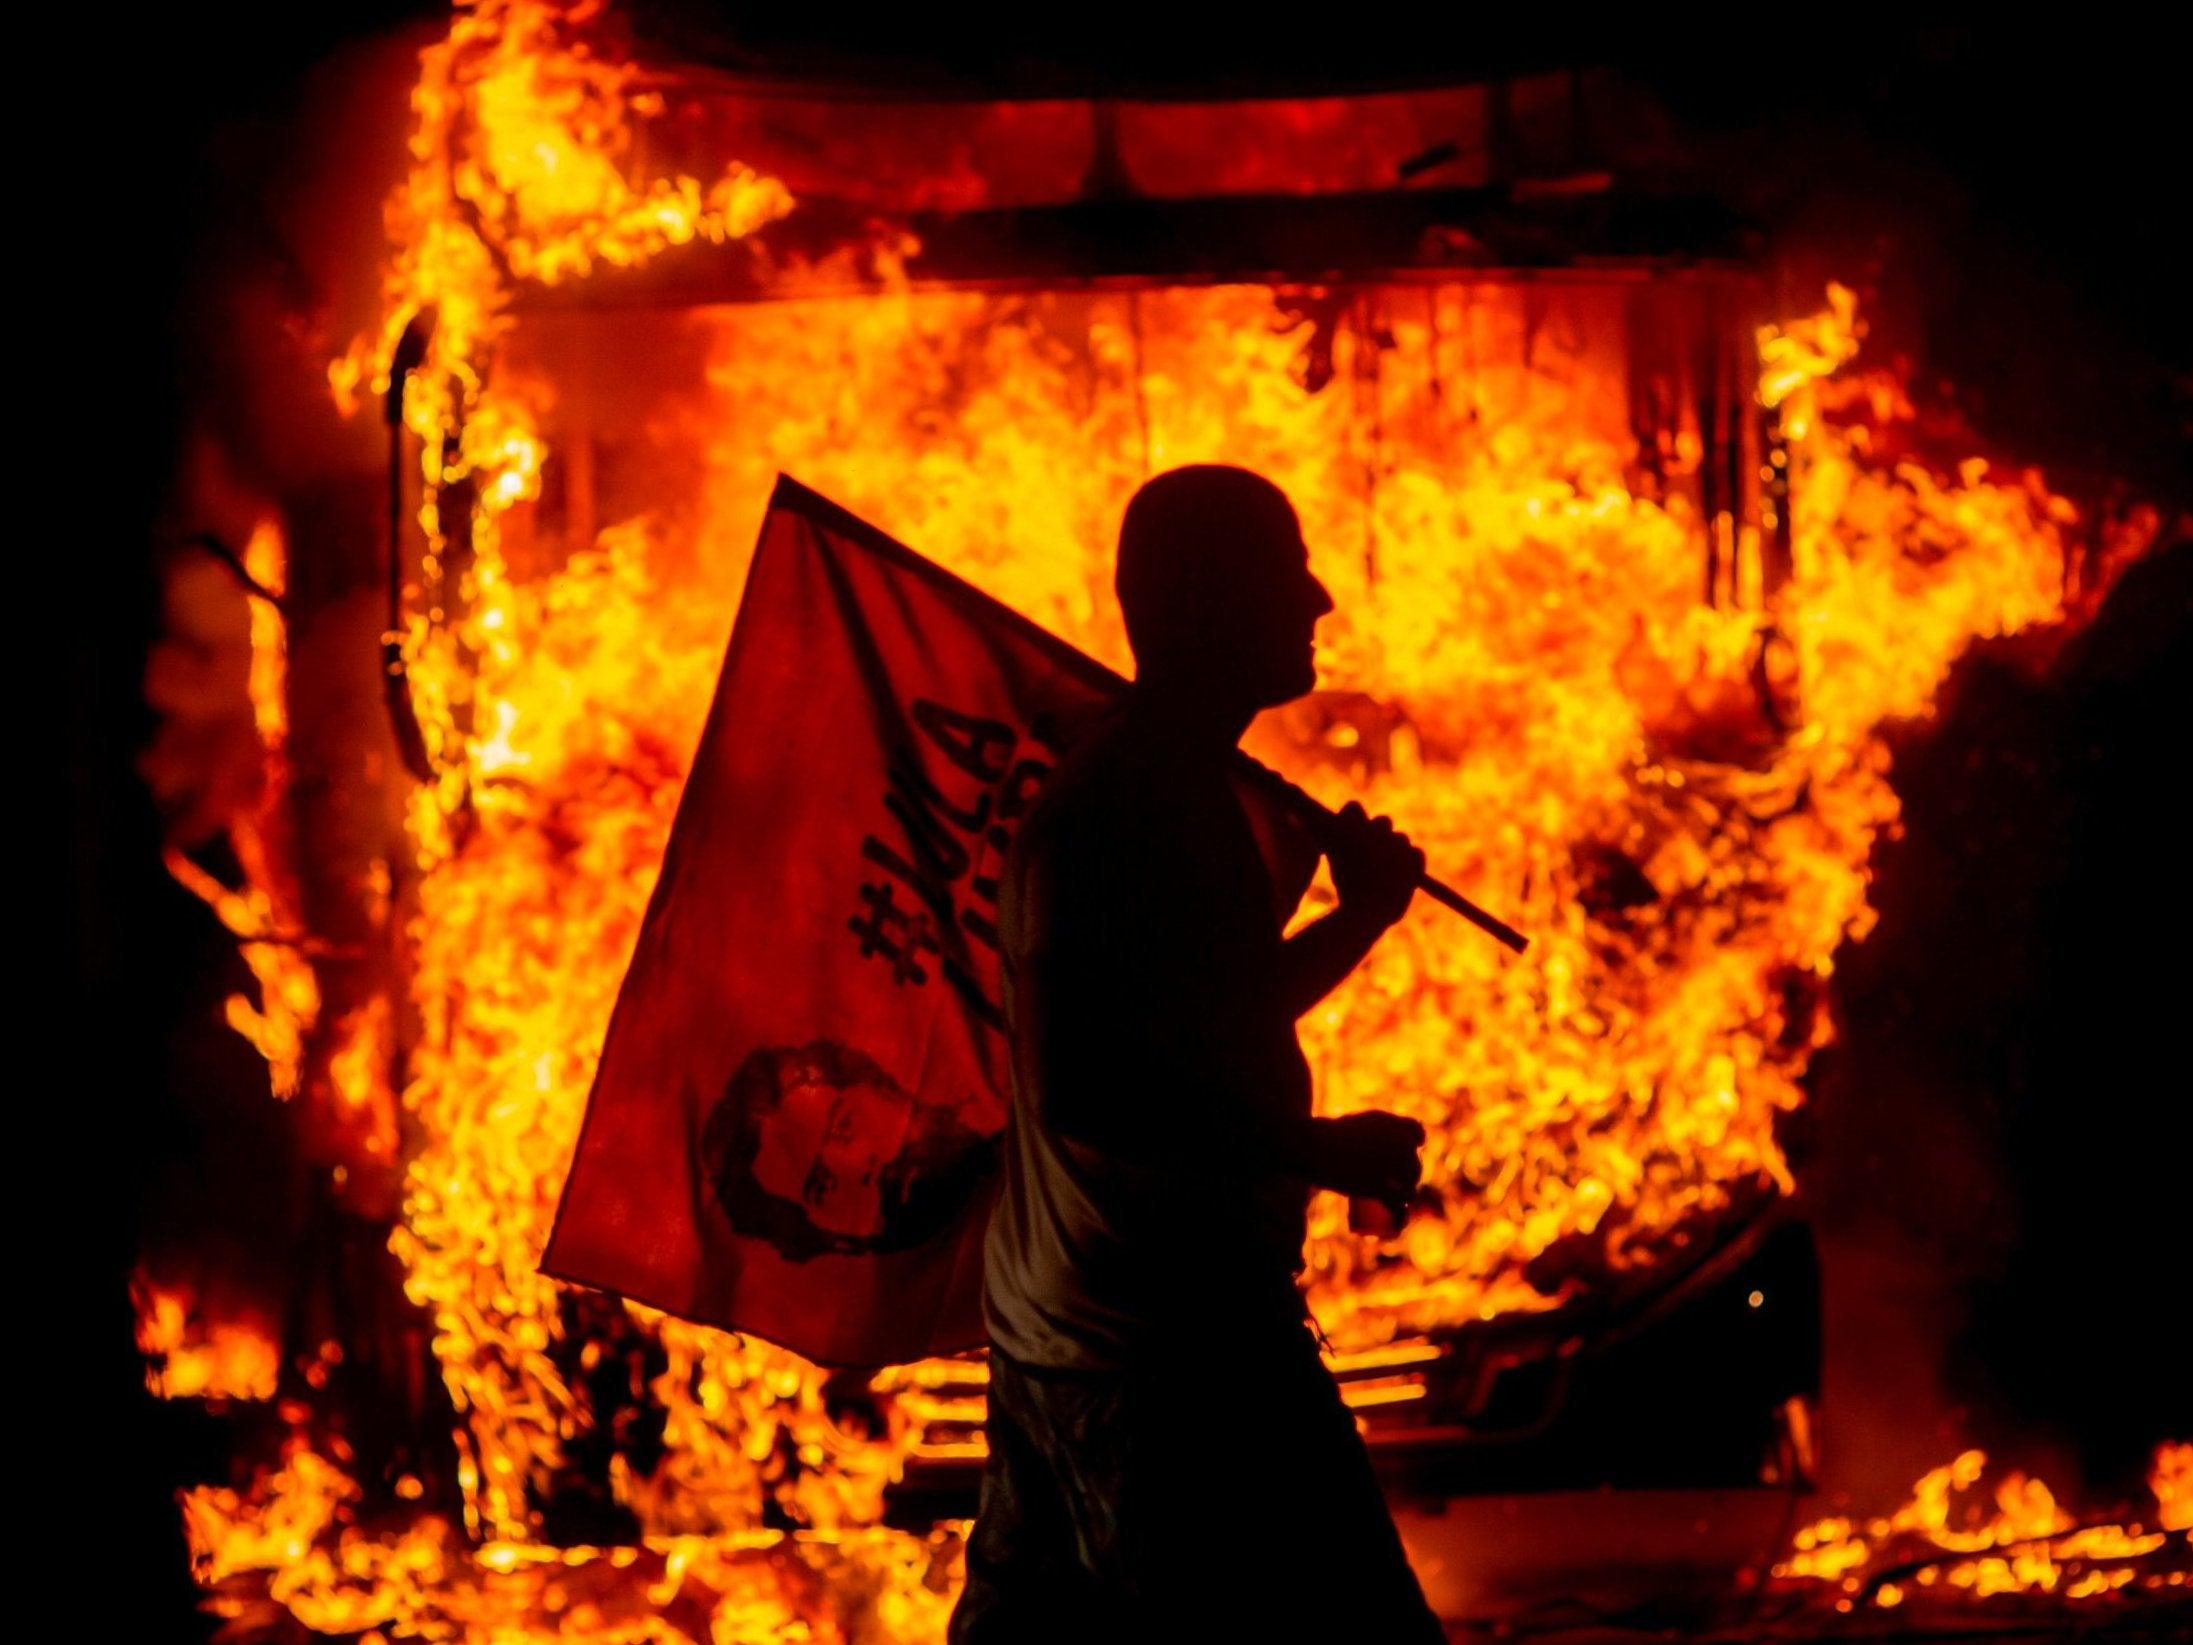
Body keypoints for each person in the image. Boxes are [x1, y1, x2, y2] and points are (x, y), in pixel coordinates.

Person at [950, 465, 1445, 1642]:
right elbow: (1086, 1085)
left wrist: (1359, 921)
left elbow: (1210, 1019)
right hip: (1165, 1365)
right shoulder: (1116, 814)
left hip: (1102, 1337)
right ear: (1213, 601)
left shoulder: (1180, 794)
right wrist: (1316, 1147)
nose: (1318, 601)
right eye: (1287, 574)